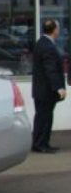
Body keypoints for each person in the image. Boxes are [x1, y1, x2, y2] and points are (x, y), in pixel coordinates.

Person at [31, 19, 67, 153]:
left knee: (41, 117)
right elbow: (50, 69)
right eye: (58, 28)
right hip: (46, 90)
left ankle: (40, 142)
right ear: (55, 30)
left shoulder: (41, 43)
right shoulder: (48, 47)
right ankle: (41, 144)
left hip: (41, 89)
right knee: (45, 117)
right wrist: (59, 88)